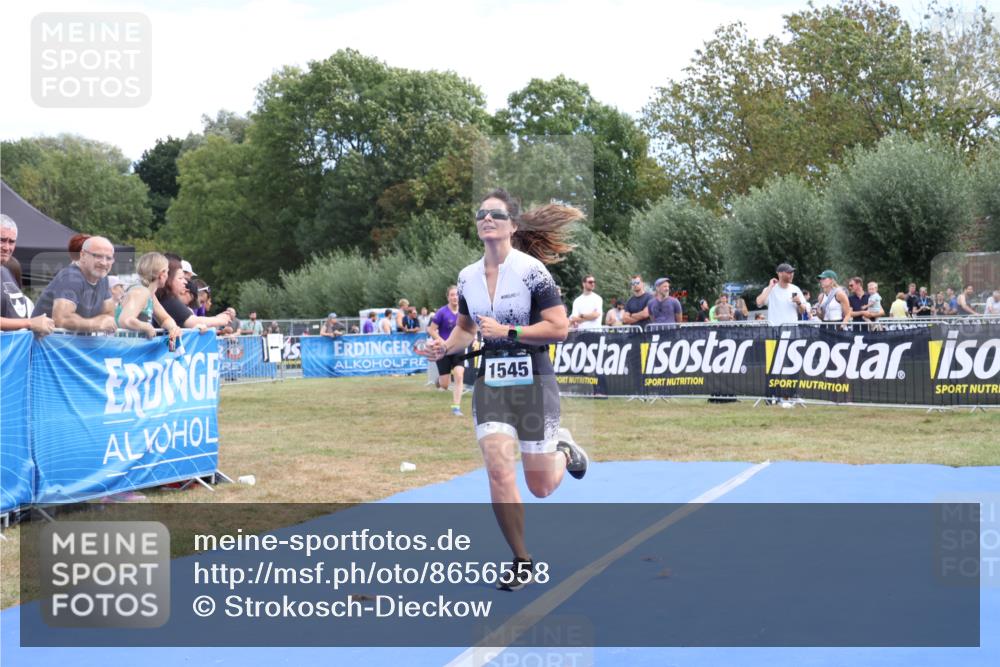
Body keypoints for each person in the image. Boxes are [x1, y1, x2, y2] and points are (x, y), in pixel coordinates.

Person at [419, 189, 588, 592]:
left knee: (541, 486)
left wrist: (510, 330)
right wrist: (445, 347)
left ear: (512, 225)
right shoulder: (467, 277)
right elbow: (465, 330)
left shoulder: (532, 272)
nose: (487, 218)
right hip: (491, 383)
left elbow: (559, 328)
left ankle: (563, 450)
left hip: (534, 380)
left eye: (496, 214)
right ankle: (521, 559)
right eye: (481, 214)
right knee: (497, 467)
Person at [32, 236, 117, 333]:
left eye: (109, 258)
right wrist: (96, 324)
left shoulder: (103, 278)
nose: (104, 263)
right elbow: (62, 319)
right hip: (47, 345)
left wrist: (100, 322)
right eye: (98, 256)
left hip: (71, 345)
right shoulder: (70, 277)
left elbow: (109, 315)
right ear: (83, 255)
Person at [0, 215, 55, 335]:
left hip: (13, 351)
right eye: (2, 240)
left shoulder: (6, 272)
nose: (6, 247)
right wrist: (30, 323)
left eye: (11, 242)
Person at [115, 252, 182, 348]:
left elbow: (164, 319)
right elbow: (125, 320)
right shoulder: (141, 292)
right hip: (125, 352)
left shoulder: (149, 294)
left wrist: (172, 328)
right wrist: (146, 327)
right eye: (167, 271)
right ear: (162, 274)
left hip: (133, 352)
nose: (167, 275)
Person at [155, 257, 235, 331]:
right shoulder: (168, 300)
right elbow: (192, 321)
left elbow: (169, 321)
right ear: (168, 279)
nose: (186, 281)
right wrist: (220, 320)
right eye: (181, 278)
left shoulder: (160, 298)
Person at [429, 286, 466, 416]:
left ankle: (456, 407)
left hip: (458, 349)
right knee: (445, 385)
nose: (455, 297)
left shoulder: (464, 312)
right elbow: (431, 330)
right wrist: (442, 341)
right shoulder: (442, 312)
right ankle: (439, 382)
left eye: (457, 295)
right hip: (443, 350)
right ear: (448, 297)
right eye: (452, 295)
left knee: (459, 375)